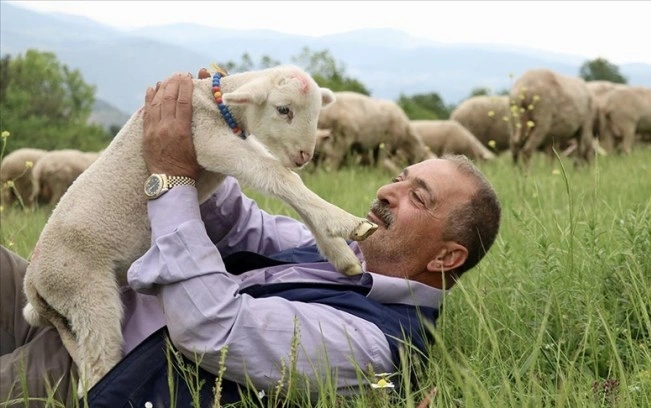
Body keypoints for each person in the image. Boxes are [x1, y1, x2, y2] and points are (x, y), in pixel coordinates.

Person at [1, 72, 501, 407]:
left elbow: (209, 328)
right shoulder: (348, 255)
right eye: (400, 175)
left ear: (446, 256)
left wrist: (171, 176)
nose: (389, 190)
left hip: (98, 364)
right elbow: (242, 226)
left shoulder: (371, 342)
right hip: (87, 287)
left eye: (419, 195)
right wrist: (203, 138)